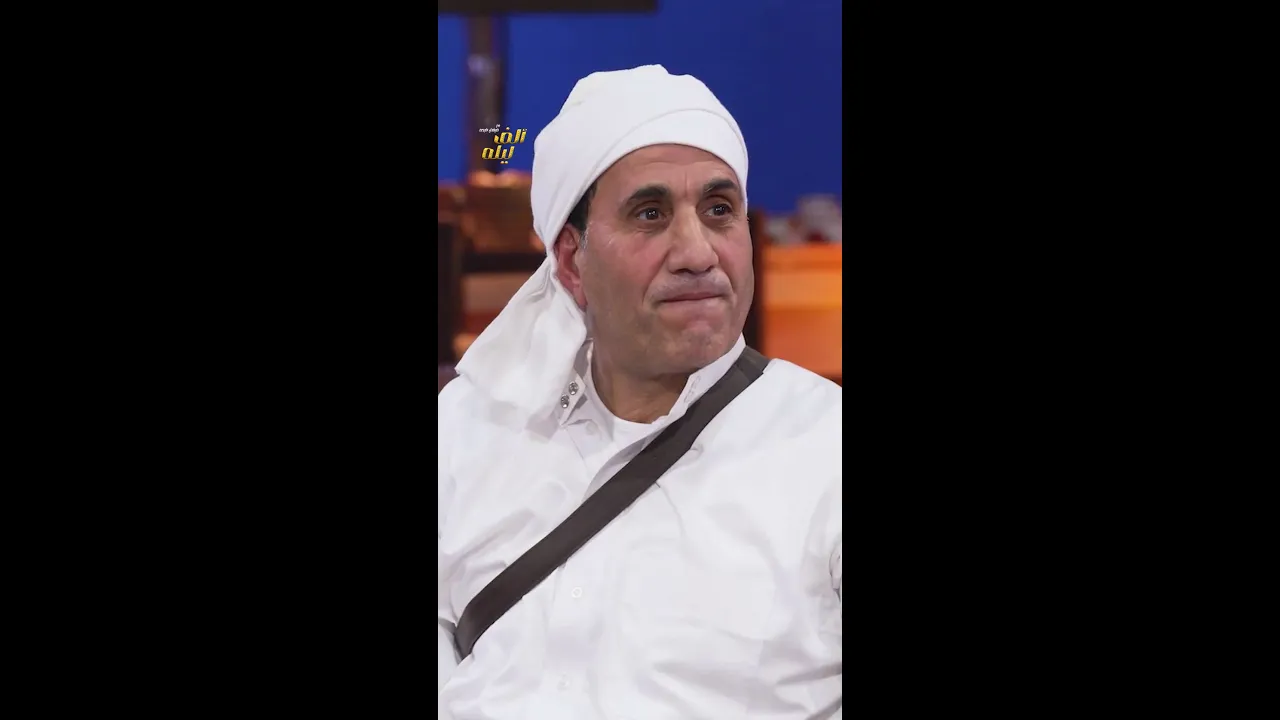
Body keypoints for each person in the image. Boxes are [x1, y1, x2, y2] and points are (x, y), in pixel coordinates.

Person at [438, 65, 842, 719]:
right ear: (571, 262)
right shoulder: (465, 432)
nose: (697, 253)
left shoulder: (827, 449)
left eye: (719, 210)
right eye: (650, 215)